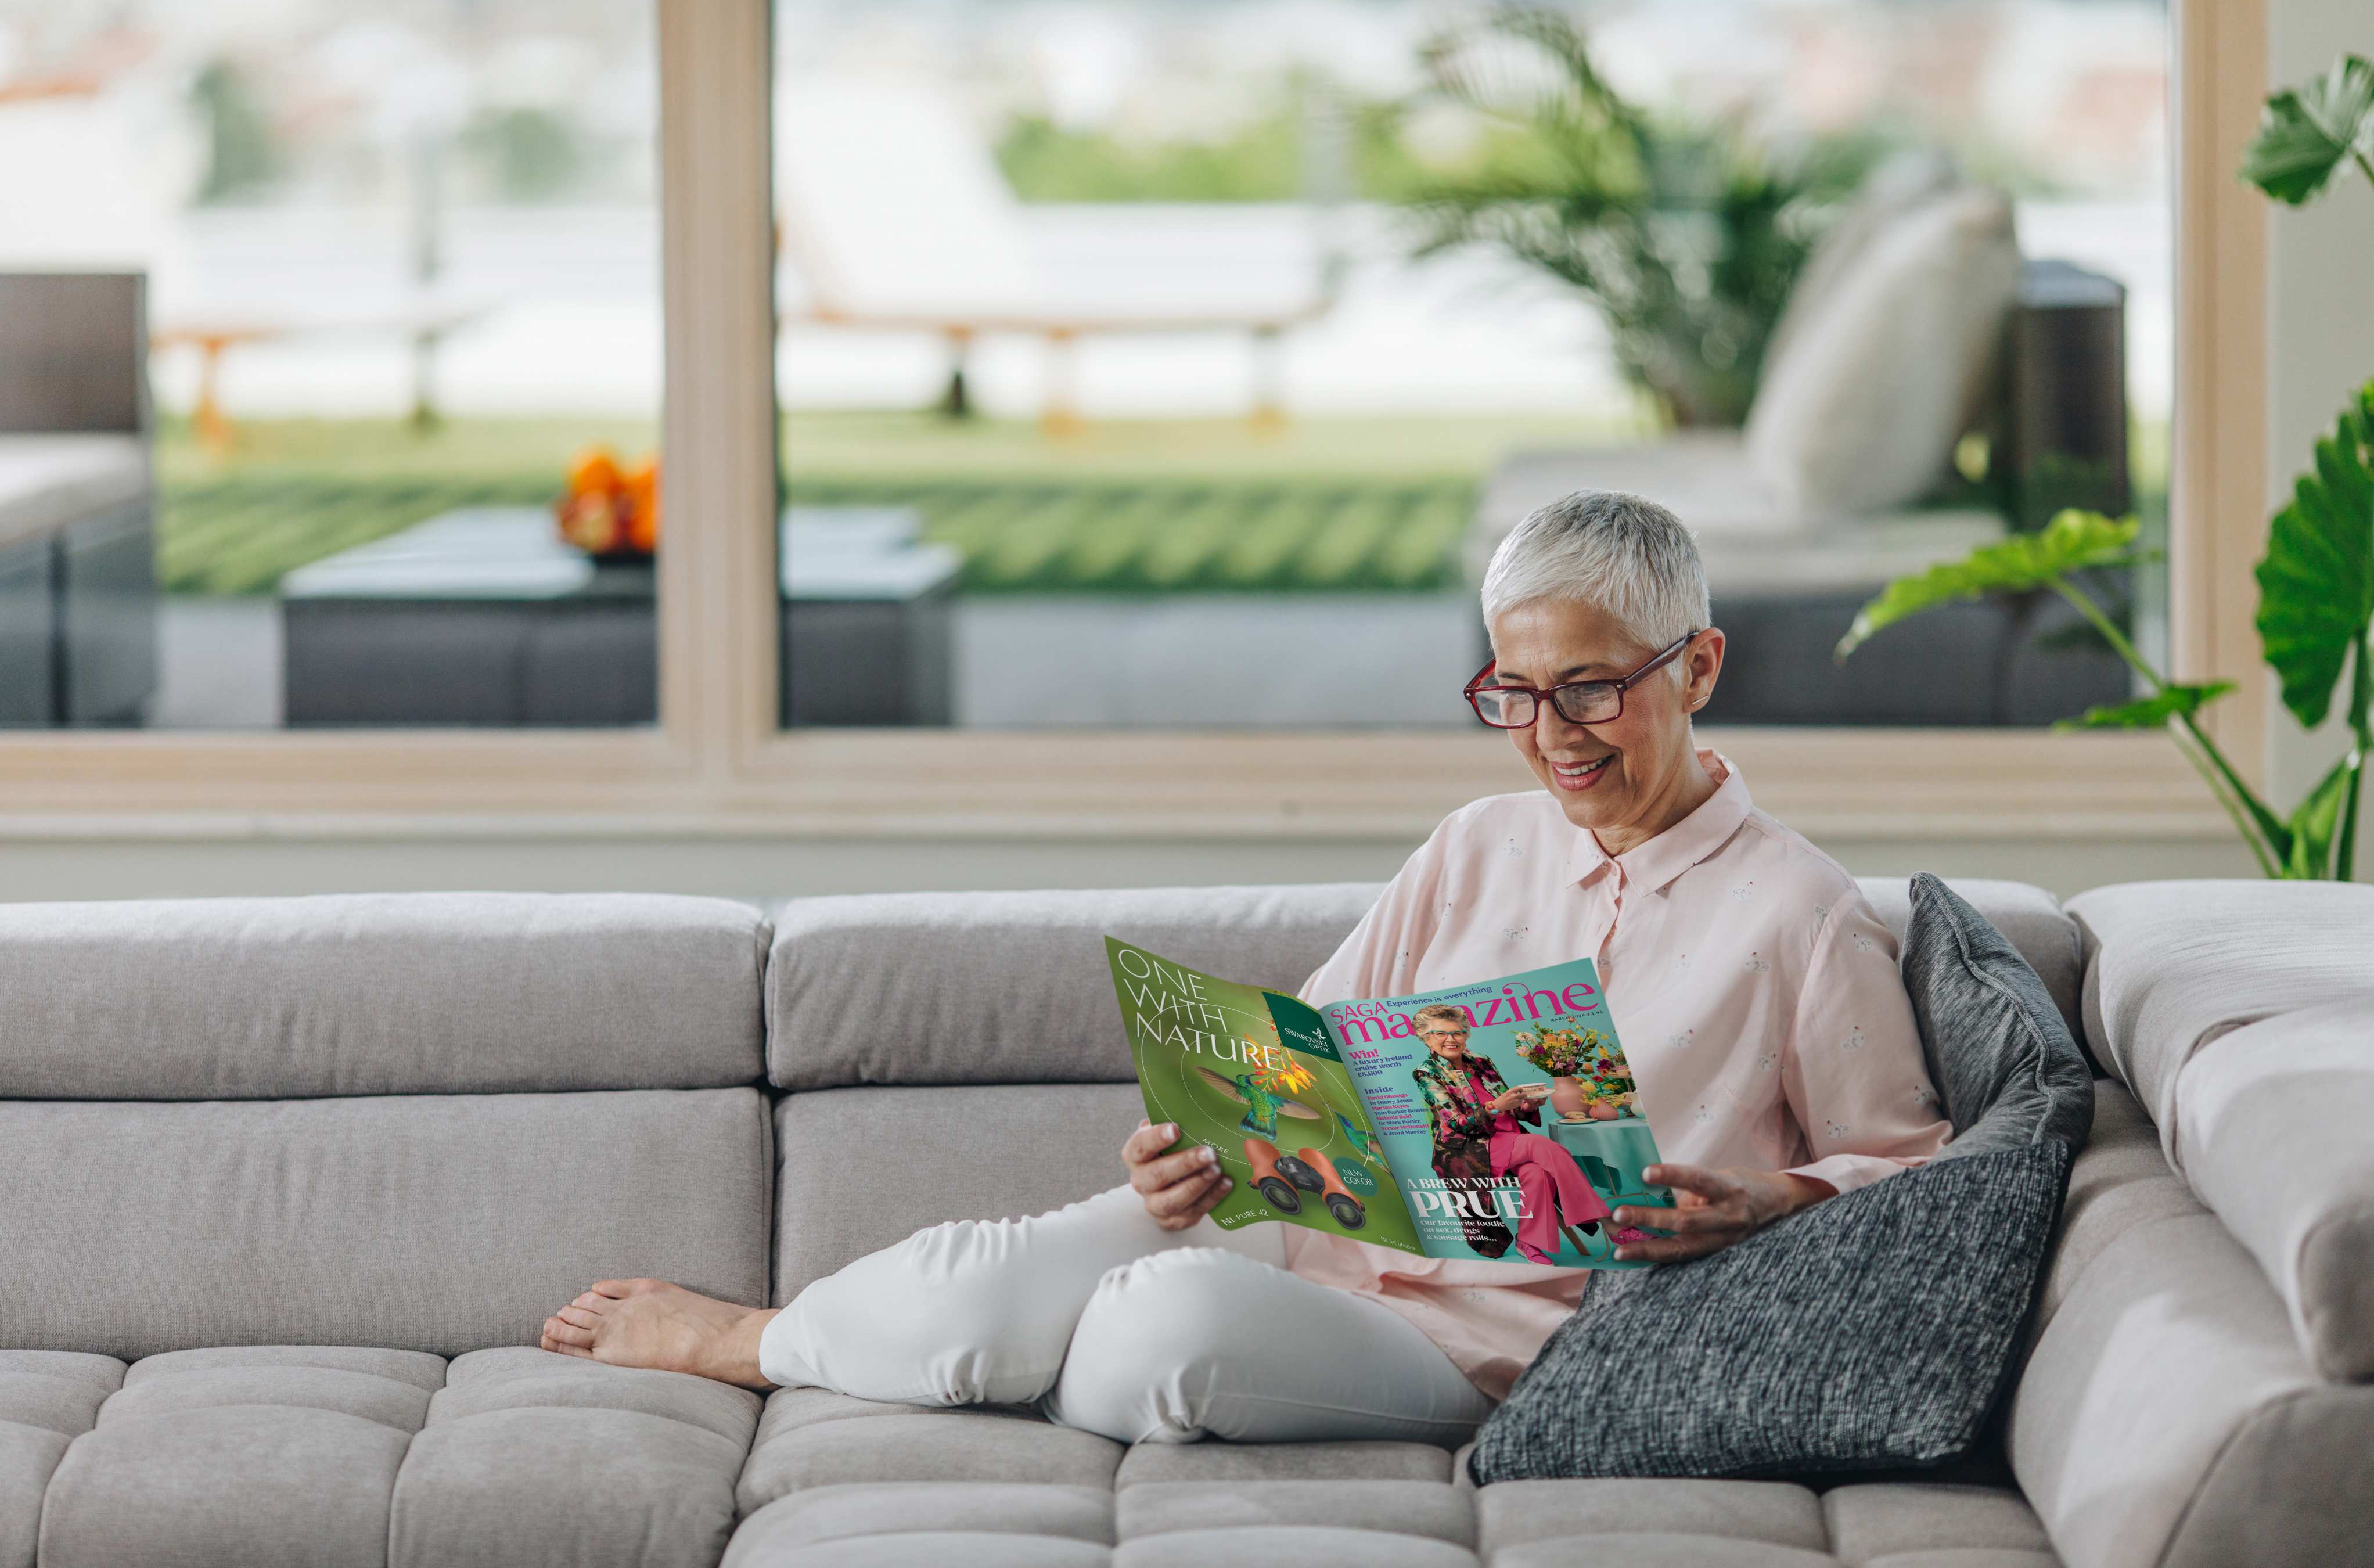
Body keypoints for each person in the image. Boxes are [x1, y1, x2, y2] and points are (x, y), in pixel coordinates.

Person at [537, 489, 1952, 1445]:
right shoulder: (1478, 842)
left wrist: (1772, 1198)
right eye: (1513, 693)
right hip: (1308, 1235)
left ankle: (950, 1357)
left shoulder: (1799, 914)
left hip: (1490, 1345)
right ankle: (751, 1337)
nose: (1551, 735)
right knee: (986, 1279)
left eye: (1591, 687)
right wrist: (1201, 1142)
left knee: (1155, 1327)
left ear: (1697, 667)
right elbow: (1309, 1054)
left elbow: (1919, 1171)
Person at [1405, 1004, 1627, 1265]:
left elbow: (1509, 1106)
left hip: (1510, 1138)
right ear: (1426, 1038)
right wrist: (1495, 1107)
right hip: (1471, 1148)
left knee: (1537, 1172)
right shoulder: (1427, 1072)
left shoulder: (1481, 1061)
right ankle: (1610, 1224)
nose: (1451, 1039)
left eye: (1457, 1033)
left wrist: (1528, 1105)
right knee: (1543, 1145)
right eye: (1440, 1033)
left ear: (1466, 1035)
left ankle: (1528, 1241)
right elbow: (1457, 1124)